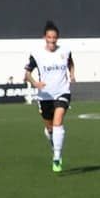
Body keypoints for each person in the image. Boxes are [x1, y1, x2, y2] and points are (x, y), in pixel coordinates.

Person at [24, 21, 74, 172]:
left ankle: (57, 157)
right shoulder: (37, 54)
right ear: (44, 38)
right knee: (50, 128)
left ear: (57, 38)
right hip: (45, 96)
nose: (52, 40)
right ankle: (53, 143)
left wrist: (72, 74)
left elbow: (70, 62)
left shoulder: (65, 51)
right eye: (49, 37)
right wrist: (35, 83)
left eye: (54, 37)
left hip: (62, 92)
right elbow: (26, 73)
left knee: (58, 121)